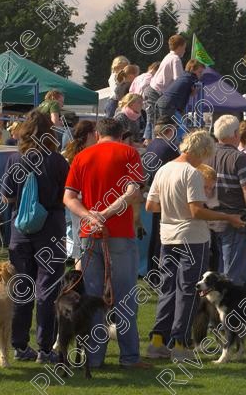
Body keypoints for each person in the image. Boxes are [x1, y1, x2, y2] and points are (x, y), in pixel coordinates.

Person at [145, 130, 244, 360]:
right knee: (188, 291)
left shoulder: (164, 169)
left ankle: (157, 341)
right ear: (202, 151)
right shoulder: (193, 174)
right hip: (192, 239)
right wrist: (228, 217)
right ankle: (180, 344)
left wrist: (172, 209)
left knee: (168, 289)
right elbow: (196, 210)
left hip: (167, 237)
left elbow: (151, 206)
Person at [63, 118, 150, 369]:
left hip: (90, 234)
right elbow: (134, 192)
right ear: (121, 134)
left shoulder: (82, 156)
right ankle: (130, 358)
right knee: (125, 298)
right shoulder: (129, 153)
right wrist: (107, 213)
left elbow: (68, 198)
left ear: (98, 133)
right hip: (120, 234)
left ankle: (95, 358)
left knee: (93, 298)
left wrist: (92, 216)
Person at [2, 110, 69, 363]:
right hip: (50, 230)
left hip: (20, 231)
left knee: (22, 289)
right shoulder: (57, 161)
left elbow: (7, 197)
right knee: (48, 290)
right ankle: (45, 348)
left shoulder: (14, 159)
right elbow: (68, 196)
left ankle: (19, 346)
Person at [206, 115, 246, 285]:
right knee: (232, 277)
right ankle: (231, 311)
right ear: (235, 133)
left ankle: (213, 311)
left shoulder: (207, 155)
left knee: (214, 275)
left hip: (211, 220)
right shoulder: (238, 157)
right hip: (235, 220)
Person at [143, 117, 180, 275]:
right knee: (162, 238)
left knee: (156, 236)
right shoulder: (169, 148)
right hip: (164, 196)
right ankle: (158, 273)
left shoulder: (152, 145)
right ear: (169, 130)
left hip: (152, 192)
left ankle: (152, 271)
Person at [62, 121, 98, 264]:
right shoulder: (83, 155)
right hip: (79, 200)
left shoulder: (69, 153)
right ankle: (80, 279)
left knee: (78, 239)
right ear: (89, 134)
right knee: (81, 242)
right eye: (94, 131)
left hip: (74, 201)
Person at [143, 35, 186, 143]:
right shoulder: (175, 59)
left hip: (153, 90)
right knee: (159, 122)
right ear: (180, 47)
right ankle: (154, 145)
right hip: (156, 92)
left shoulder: (168, 56)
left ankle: (150, 144)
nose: (185, 50)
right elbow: (179, 81)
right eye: (184, 47)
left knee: (153, 120)